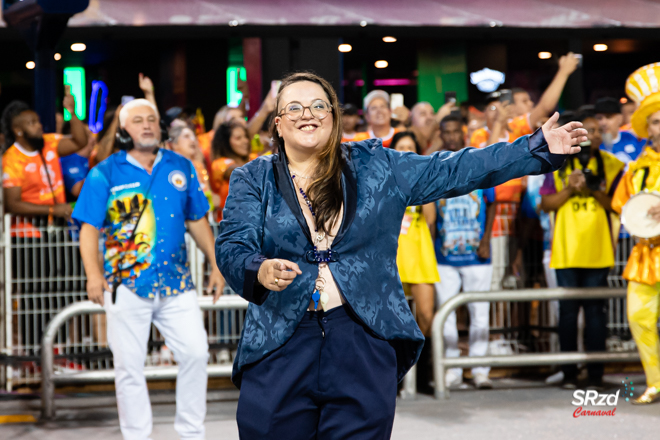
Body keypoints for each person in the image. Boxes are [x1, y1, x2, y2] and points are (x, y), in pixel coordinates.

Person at [216, 71, 585, 439]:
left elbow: (455, 168)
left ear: (334, 117)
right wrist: (259, 268)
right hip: (282, 341)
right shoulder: (252, 179)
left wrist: (533, 149)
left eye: (318, 105)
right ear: (278, 124)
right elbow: (232, 244)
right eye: (293, 107)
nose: (306, 113)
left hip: (361, 337)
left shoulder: (376, 164)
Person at [73, 98, 225, 440]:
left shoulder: (181, 166)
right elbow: (88, 228)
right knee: (128, 368)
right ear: (124, 130)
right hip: (125, 285)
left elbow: (197, 219)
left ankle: (191, 433)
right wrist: (93, 275)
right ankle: (136, 436)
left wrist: (217, 263)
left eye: (152, 119)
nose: (147, 125)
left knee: (196, 353)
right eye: (138, 120)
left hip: (177, 284)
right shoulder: (105, 172)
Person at [540, 115, 625, 389]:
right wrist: (569, 188)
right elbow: (546, 204)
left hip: (600, 249)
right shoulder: (557, 161)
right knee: (567, 314)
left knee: (596, 314)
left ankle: (596, 375)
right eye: (588, 130)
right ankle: (569, 375)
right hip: (566, 250)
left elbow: (620, 206)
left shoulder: (614, 165)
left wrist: (593, 189)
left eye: (598, 131)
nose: (593, 136)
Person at [433, 113, 497, 390]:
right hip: (443, 254)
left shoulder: (477, 162)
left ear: (463, 133)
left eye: (454, 131)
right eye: (445, 132)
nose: (450, 137)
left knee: (480, 313)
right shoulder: (434, 165)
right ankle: (452, 371)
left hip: (477, 253)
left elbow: (492, 202)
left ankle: (480, 370)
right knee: (445, 316)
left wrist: (486, 239)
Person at [611, 62, 660, 404]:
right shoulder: (635, 168)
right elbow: (622, 207)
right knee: (638, 316)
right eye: (656, 120)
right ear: (648, 127)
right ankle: (655, 381)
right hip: (645, 254)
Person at [390, 131, 439, 395]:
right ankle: (395, 378)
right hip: (394, 252)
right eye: (401, 147)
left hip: (420, 250)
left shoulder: (424, 178)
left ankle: (424, 376)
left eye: (411, 147)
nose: (406, 151)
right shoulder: (384, 179)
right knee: (394, 318)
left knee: (426, 316)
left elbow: (430, 216)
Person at [209, 120, 258, 219]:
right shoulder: (220, 164)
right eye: (238, 138)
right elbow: (237, 171)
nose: (245, 141)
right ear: (226, 142)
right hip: (232, 224)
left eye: (245, 136)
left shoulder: (254, 158)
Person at [167, 124, 213, 210]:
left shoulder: (199, 165)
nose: (193, 140)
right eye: (186, 136)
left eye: (194, 137)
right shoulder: (170, 168)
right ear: (174, 144)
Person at [595, 97, 646, 164]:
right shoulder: (595, 146)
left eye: (608, 117)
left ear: (620, 118)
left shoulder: (634, 137)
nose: (604, 123)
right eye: (599, 118)